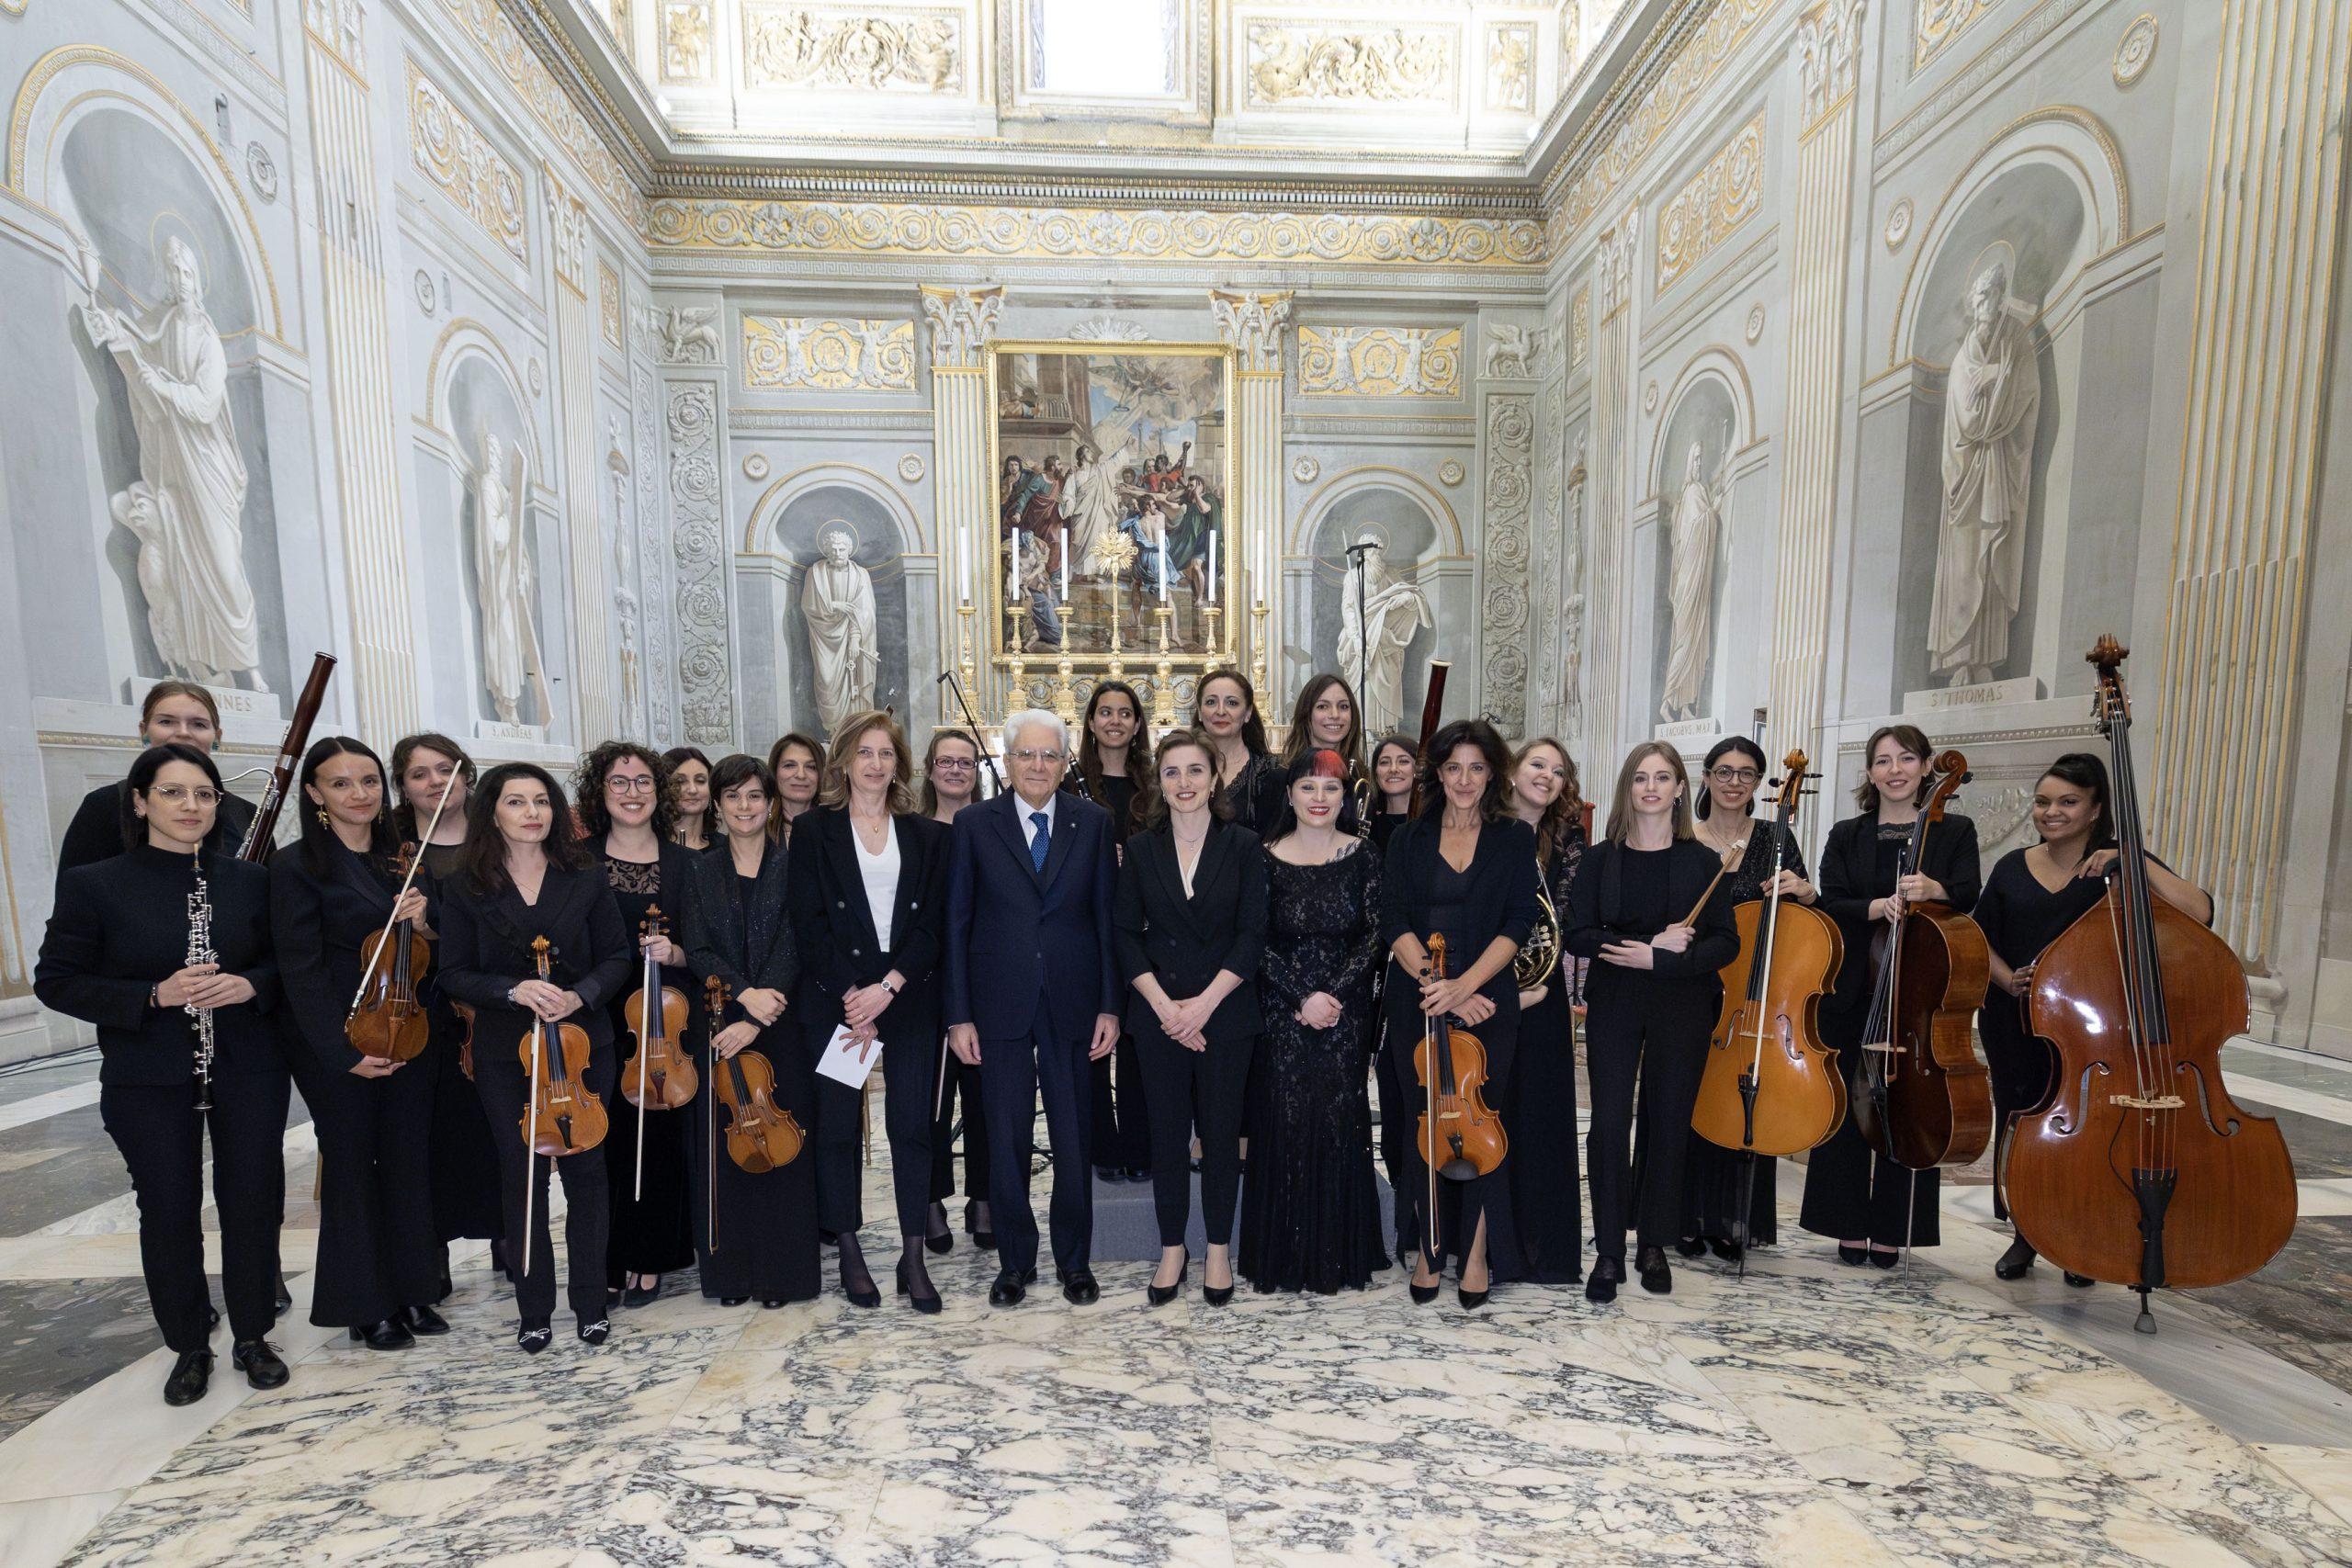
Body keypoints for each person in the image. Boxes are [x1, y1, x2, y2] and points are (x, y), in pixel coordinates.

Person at [35, 744, 288, 1404]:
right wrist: (154, 995)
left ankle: (254, 1335)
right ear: (141, 800)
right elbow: (56, 981)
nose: (191, 806)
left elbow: (286, 968)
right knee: (169, 1210)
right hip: (147, 1074)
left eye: (203, 794)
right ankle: (189, 1345)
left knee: (253, 1201)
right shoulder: (95, 883)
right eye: (173, 793)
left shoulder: (249, 880)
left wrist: (248, 985)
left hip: (246, 1067)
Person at [1974, 752, 2211, 1282]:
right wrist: (2006, 976)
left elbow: (2199, 912)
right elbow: (1980, 933)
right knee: (2021, 1125)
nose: (2051, 812)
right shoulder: (2013, 866)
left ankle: (2078, 1238)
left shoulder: (2119, 865)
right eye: (2042, 802)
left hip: (2092, 1030)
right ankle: (2026, 1235)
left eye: (2067, 802)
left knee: (2090, 1134)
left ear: (2095, 809)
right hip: (2015, 1020)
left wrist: (2132, 859)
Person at [436, 763, 631, 1351]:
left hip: (582, 1046)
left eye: (541, 801)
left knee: (587, 1177)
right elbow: (452, 974)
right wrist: (512, 990)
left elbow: (617, 958)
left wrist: (582, 995)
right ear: (491, 810)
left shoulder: (585, 876)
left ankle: (592, 1303)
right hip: (506, 1054)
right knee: (522, 1180)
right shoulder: (464, 886)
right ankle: (534, 1307)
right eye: (516, 801)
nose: (532, 813)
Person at [271, 737, 447, 1353]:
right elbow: (300, 970)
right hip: (337, 1042)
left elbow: (436, 953)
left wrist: (425, 921)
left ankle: (416, 1286)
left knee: (408, 1159)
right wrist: (343, 1053)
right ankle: (365, 1305)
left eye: (369, 780)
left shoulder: (404, 859)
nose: (359, 793)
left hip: (408, 1027)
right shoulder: (295, 865)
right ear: (315, 793)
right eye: (341, 783)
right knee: (352, 1165)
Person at [944, 709, 1121, 1308]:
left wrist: (1109, 1005)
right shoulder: (973, 824)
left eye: (1049, 755)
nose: (1038, 765)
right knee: (1006, 1138)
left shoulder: (1092, 822)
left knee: (1073, 1141)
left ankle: (1075, 1260)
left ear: (1063, 760)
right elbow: (957, 924)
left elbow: (1105, 920)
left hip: (1073, 1001)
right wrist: (959, 1013)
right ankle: (1015, 1261)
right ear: (1008, 759)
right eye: (1027, 754)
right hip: (998, 1005)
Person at [1799, 726, 1982, 1265]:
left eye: (1906, 759)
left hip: (1919, 986)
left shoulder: (1954, 831)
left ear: (1928, 767)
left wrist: (1937, 890)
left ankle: (1896, 1227)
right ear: (1871, 773)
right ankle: (1845, 1222)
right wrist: (1878, 907)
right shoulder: (1847, 833)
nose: (1894, 770)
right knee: (1850, 1101)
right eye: (1882, 761)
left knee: (1911, 1103)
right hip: (1854, 982)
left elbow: (1969, 895)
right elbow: (1832, 899)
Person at [787, 712, 952, 1312]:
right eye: (864, 753)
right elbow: (809, 924)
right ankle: (851, 1248)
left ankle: (912, 1253)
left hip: (905, 1000)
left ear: (898, 763)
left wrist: (889, 986)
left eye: (886, 752)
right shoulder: (813, 832)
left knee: (911, 1126)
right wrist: (856, 995)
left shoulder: (927, 835)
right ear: (845, 763)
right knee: (837, 1128)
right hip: (842, 1003)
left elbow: (934, 925)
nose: (876, 764)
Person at [1379, 719, 1544, 1310]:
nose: (1465, 779)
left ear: (1492, 774)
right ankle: (1429, 1248)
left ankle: (1475, 1253)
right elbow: (1392, 919)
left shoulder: (1513, 838)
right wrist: (1437, 984)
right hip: (1418, 1001)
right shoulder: (1407, 839)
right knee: (1424, 1128)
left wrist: (1467, 984)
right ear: (1439, 774)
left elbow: (1519, 922)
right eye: (1454, 768)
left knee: (1482, 1132)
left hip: (1487, 1002)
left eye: (1477, 768)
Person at [1566, 743, 1740, 1302]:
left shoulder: (1701, 861)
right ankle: (1611, 1250)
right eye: (1640, 777)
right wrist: (1642, 948)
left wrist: (1666, 959)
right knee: (1611, 1124)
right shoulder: (1600, 858)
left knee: (1667, 1122)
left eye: (1663, 778)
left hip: (1682, 1002)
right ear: (1627, 787)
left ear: (1681, 789)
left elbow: (1726, 943)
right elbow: (1578, 934)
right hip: (1616, 998)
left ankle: (1653, 1244)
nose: (1651, 787)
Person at [1114, 731, 1268, 1307]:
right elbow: (1126, 935)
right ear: (1160, 781)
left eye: (1195, 771)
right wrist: (1166, 1008)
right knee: (1168, 1136)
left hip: (1225, 1016)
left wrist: (1203, 1005)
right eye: (1173, 772)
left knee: (1222, 1136)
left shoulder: (1245, 845)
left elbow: (1254, 932)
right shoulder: (1141, 848)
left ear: (1214, 778)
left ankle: (1221, 1247)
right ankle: (1173, 1246)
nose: (1184, 783)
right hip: (1157, 1016)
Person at [1239, 749, 1387, 1294]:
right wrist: (1303, 996)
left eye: (1330, 789)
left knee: (1336, 1118)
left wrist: (1335, 994)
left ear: (1344, 797)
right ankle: (1285, 1258)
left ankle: (1337, 1258)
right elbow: (1254, 938)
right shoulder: (1263, 855)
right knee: (1285, 1117)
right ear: (1290, 795)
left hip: (1346, 1013)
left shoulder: (1366, 855)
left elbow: (1376, 934)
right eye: (1308, 788)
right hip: (1281, 1009)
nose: (1319, 799)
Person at [684, 755, 820, 1308]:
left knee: (784, 1148)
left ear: (770, 805)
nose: (745, 807)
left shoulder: (795, 864)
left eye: (755, 796)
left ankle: (784, 1274)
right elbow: (697, 947)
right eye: (734, 796)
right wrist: (742, 1000)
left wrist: (760, 1013)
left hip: (782, 1023)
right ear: (717, 806)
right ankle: (731, 1274)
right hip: (719, 1023)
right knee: (726, 1150)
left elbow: (797, 941)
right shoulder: (698, 870)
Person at [1676, 737, 1816, 1261]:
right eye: (1725, 771)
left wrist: (1806, 892)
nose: (1735, 782)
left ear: (1760, 784)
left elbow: (1803, 911)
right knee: (1686, 1100)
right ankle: (1683, 1217)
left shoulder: (1776, 837)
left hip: (1754, 996)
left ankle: (1734, 1219)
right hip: (1693, 986)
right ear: (1707, 776)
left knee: (1743, 1096)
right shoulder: (1683, 837)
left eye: (1747, 774)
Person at [575, 742, 699, 1310]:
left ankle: (651, 1256)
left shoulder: (685, 864)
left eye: (644, 781)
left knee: (660, 1141)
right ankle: (604, 1256)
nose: (632, 792)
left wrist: (676, 953)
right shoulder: (576, 861)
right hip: (596, 1021)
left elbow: (707, 946)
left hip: (663, 1025)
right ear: (600, 793)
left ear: (660, 792)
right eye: (619, 782)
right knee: (603, 1145)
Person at [390, 733, 503, 1277]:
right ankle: (428, 1255)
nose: (436, 782)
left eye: (446, 769)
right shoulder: (387, 846)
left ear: (467, 776)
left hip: (490, 1001)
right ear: (404, 787)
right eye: (419, 774)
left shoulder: (500, 834)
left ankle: (510, 1239)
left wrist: (434, 924)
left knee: (498, 1124)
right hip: (415, 1003)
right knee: (427, 1132)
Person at [1502, 737, 1588, 1285]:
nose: (1546, 776)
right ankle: (1494, 1247)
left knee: (1543, 1119)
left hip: (1544, 992)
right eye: (1537, 763)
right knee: (1496, 1115)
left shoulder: (1570, 842)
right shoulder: (1482, 831)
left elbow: (1571, 920)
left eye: (1557, 771)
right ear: (1511, 771)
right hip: (1488, 990)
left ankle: (1545, 1252)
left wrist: (1537, 987)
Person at [1069, 680, 1151, 1185]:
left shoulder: (1156, 786)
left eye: (1125, 713)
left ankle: (1141, 1144)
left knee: (1139, 1041)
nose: (1115, 721)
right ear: (1092, 722)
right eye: (1105, 713)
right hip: (1087, 927)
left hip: (1142, 928)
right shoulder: (1070, 783)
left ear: (1138, 724)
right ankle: (1103, 1146)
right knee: (1093, 1042)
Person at [57, 682, 257, 878]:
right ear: (143, 731)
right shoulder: (102, 806)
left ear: (217, 737)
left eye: (198, 724)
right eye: (166, 722)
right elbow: (76, 898)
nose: (183, 732)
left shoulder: (246, 814)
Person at [921, 728, 992, 1252]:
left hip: (983, 980)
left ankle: (983, 1197)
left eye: (965, 763)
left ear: (977, 772)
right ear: (928, 771)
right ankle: (930, 1199)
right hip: (924, 981)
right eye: (945, 762)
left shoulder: (990, 828)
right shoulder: (911, 831)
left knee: (987, 1098)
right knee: (931, 1099)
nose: (955, 770)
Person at [1193, 668, 1283, 833]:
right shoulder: (1179, 769)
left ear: (1248, 713)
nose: (1220, 711)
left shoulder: (1271, 771)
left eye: (1232, 703)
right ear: (1199, 711)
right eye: (1211, 702)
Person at [1279, 674, 1368, 829]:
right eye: (1322, 706)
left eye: (1343, 706)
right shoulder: (1280, 776)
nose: (1335, 715)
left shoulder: (1361, 776)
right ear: (1306, 715)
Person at [767, 733, 823, 850]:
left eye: (811, 767)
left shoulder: (837, 828)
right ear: (775, 772)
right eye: (789, 765)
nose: (801, 775)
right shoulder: (757, 830)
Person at [1368, 735, 1417, 852]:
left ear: (1419, 770)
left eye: (1403, 761)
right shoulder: (1367, 824)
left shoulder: (1436, 823)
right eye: (1384, 762)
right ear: (1375, 772)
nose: (1393, 769)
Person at [664, 747, 717, 852]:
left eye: (700, 781)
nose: (692, 790)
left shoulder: (727, 848)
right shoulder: (648, 847)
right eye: (680, 781)